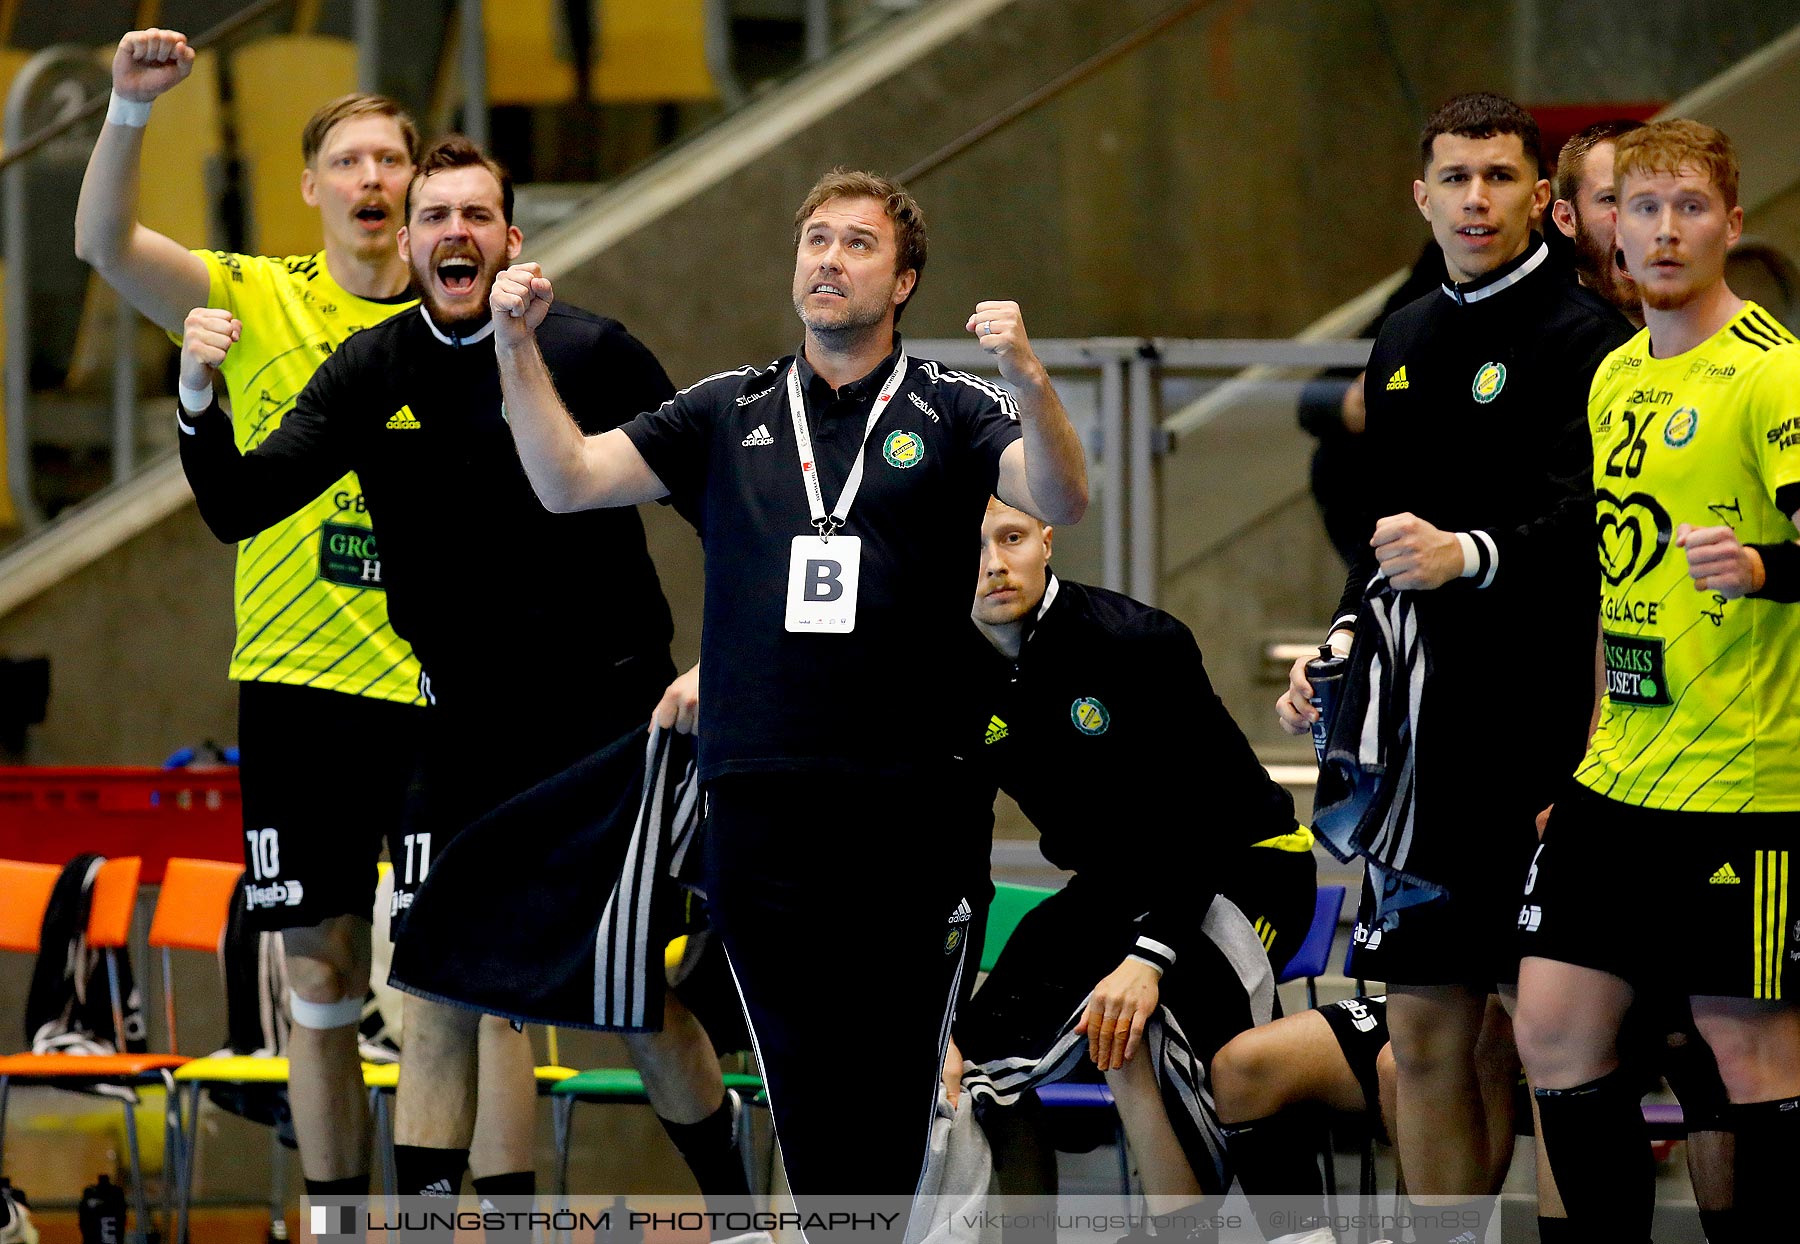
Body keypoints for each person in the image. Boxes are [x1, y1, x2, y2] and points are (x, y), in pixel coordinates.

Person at [488, 167, 1088, 1208]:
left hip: (913, 799)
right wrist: (514, 347)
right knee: (803, 1090)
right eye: (816, 240)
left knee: (896, 1092)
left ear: (903, 282)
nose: (828, 259)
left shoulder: (956, 406)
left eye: (858, 244)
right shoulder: (728, 409)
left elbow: (1063, 496)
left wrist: (1028, 374)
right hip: (763, 804)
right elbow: (565, 478)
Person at [172, 136, 745, 1221]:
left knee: (626, 998)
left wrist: (722, 663)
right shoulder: (373, 368)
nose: (454, 235)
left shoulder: (592, 350)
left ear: (511, 239)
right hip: (462, 727)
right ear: (412, 235)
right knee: (430, 985)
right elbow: (238, 504)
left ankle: (736, 1207)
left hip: (607, 717)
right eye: (436, 217)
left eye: (476, 216)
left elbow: (723, 505)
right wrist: (198, 398)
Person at [73, 28, 444, 1204]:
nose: (373, 179)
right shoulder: (255, 293)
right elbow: (102, 244)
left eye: (391, 159)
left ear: (418, 185)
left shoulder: (463, 326)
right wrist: (131, 110)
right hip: (297, 687)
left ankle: (450, 1213)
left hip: (439, 691)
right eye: (350, 161)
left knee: (447, 980)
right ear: (313, 186)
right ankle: (335, 1214)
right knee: (319, 967)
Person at [1274, 93, 1632, 1241]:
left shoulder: (1592, 340)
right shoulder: (1409, 336)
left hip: (1553, 745)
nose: (1476, 199)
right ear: (1420, 196)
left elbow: (1600, 531)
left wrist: (1471, 554)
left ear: (1543, 197)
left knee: (1554, 1043)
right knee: (1427, 1029)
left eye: (1498, 177)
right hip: (1429, 756)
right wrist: (1339, 647)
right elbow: (1384, 538)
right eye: (1455, 178)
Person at [1513, 117, 1800, 1241]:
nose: (1667, 229)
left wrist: (1766, 563)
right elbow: (1612, 579)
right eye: (1645, 207)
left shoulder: (1774, 375)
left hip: (1747, 782)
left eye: (1691, 207)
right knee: (1553, 1031)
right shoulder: (1615, 375)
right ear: (1605, 226)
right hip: (1619, 777)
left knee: (1751, 1051)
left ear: (1731, 221)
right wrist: (1587, 751)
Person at [946, 497, 1310, 1231]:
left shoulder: (1135, 641)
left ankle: (1265, 1227)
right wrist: (943, 1014)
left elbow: (1198, 824)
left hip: (1240, 867)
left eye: (1011, 537)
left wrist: (1148, 958)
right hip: (1111, 886)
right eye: (969, 546)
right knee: (972, 1066)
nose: (993, 563)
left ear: (1045, 539)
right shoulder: (947, 675)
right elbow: (957, 855)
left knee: (1145, 1032)